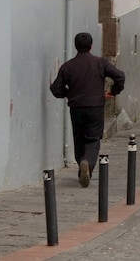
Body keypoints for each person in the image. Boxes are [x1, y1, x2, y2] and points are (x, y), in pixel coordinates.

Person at [50, 32, 126, 187]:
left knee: (79, 139)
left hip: (76, 107)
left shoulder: (68, 66)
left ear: (76, 46)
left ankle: (82, 169)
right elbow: (120, 76)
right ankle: (88, 163)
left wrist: (69, 93)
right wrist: (113, 91)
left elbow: (56, 88)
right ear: (91, 46)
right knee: (92, 139)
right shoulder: (100, 63)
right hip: (95, 106)